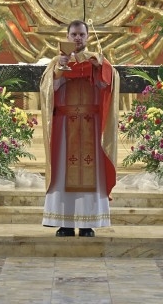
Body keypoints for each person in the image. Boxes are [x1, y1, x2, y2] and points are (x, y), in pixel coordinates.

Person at [40, 20, 120, 237]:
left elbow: (108, 84)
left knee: (92, 174)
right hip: (65, 127)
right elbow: (48, 90)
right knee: (62, 173)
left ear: (88, 37)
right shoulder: (56, 61)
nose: (77, 38)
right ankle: (64, 223)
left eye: (81, 34)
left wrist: (100, 69)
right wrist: (60, 70)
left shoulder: (98, 59)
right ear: (67, 36)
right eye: (74, 34)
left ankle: (87, 224)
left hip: (91, 126)